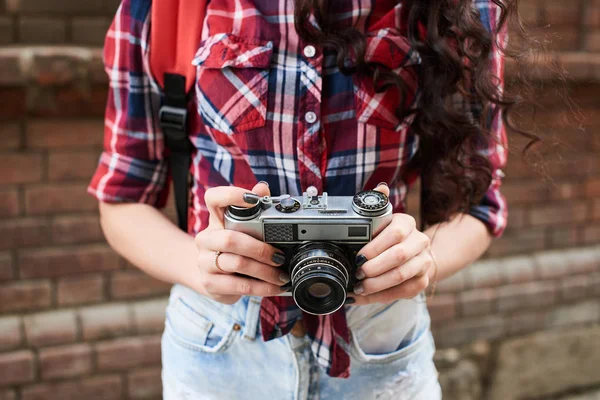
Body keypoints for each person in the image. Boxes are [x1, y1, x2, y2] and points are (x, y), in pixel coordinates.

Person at [89, 0, 517, 398]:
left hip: (380, 333)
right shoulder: (165, 8)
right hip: (221, 340)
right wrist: (206, 268)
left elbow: (480, 206)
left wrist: (419, 260)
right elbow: (122, 200)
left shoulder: (461, 9)